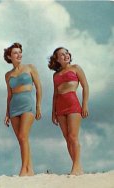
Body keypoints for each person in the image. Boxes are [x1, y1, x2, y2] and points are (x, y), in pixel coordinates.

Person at [48, 47, 89, 175]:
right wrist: (53, 112)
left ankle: (76, 167)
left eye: (67, 53)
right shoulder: (55, 75)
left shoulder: (76, 68)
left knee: (73, 136)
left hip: (73, 104)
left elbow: (85, 86)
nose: (66, 55)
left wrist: (85, 105)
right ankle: (77, 167)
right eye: (62, 54)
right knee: (67, 138)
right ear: (57, 59)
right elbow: (55, 94)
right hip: (60, 107)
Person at [3, 42, 42, 176]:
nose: (19, 55)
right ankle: (29, 169)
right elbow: (9, 95)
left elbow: (39, 87)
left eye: (20, 52)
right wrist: (7, 113)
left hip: (28, 105)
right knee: (21, 139)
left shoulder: (30, 68)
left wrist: (38, 106)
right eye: (15, 53)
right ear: (9, 57)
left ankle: (23, 169)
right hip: (14, 107)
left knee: (23, 135)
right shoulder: (8, 75)